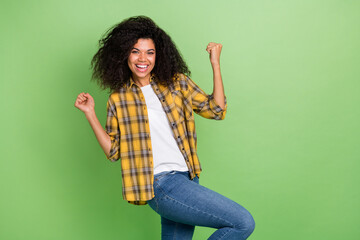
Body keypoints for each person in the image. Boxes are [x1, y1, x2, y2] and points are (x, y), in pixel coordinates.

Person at [74, 16, 255, 240]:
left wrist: (215, 64)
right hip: (160, 184)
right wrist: (90, 113)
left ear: (158, 55)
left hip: (188, 179)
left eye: (149, 52)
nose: (143, 58)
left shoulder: (177, 83)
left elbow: (216, 110)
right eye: (135, 51)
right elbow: (113, 152)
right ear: (124, 55)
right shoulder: (118, 99)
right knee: (242, 222)